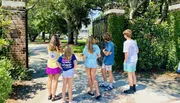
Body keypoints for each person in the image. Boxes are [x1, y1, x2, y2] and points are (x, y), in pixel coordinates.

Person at [46, 35, 62, 101]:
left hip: (49, 65)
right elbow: (62, 52)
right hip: (56, 66)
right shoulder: (59, 48)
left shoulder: (48, 47)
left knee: (49, 80)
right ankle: (53, 96)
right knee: (55, 81)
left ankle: (49, 94)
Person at [123, 29, 139, 94]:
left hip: (129, 60)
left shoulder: (126, 43)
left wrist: (125, 61)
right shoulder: (134, 42)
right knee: (133, 73)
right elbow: (137, 51)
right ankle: (134, 87)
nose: (124, 36)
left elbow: (126, 53)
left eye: (124, 35)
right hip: (135, 59)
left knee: (129, 74)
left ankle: (131, 89)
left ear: (126, 35)